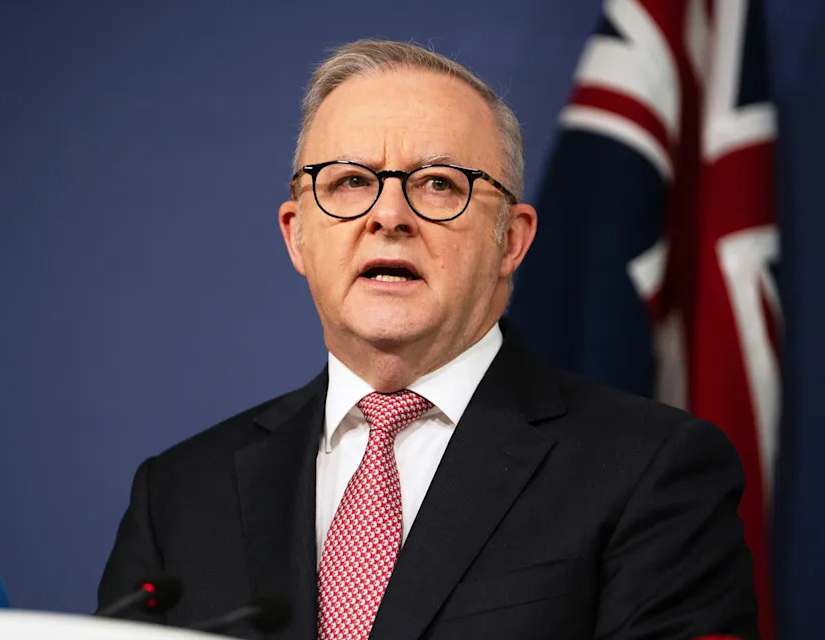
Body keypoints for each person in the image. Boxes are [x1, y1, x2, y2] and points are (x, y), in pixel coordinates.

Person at [98, 40, 758, 639]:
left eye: (440, 184)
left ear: (511, 239)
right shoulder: (181, 495)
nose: (389, 215)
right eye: (351, 181)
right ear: (297, 234)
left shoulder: (653, 470)